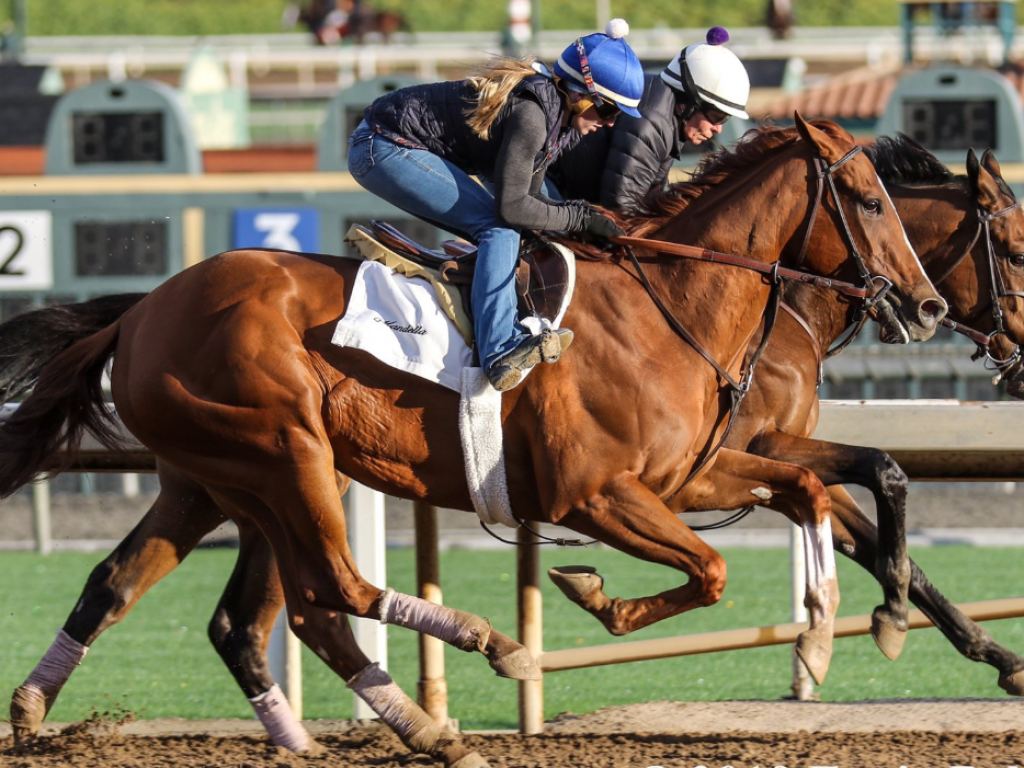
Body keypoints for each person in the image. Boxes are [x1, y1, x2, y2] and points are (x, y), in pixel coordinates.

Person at [347, 20, 644, 391]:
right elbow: (513, 208)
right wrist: (580, 216)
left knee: (518, 228)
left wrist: (580, 218)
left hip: (392, 144)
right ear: (583, 96)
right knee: (498, 227)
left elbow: (534, 205)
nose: (609, 124)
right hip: (382, 146)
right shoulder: (533, 117)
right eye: (609, 112)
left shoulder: (558, 122)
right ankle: (500, 349)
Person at [547, 26, 751, 215]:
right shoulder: (653, 122)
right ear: (687, 104)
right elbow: (620, 209)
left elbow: (645, 203)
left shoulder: (668, 116)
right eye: (717, 117)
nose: (718, 129)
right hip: (547, 183)